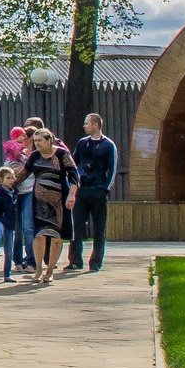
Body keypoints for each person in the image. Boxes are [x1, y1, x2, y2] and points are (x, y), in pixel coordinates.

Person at [17, 128, 77, 285]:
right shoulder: (35, 156)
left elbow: (73, 175)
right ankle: (38, 269)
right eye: (35, 141)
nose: (37, 144)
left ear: (49, 140)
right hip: (39, 202)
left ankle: (50, 271)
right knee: (39, 235)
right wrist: (9, 184)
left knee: (56, 236)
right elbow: (24, 173)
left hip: (58, 201)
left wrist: (72, 195)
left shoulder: (62, 154)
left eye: (40, 141)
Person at [67, 112, 117, 272]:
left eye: (87, 123)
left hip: (98, 191)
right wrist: (73, 184)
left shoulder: (108, 145)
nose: (84, 126)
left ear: (96, 125)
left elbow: (112, 168)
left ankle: (95, 263)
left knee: (98, 228)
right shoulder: (82, 143)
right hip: (82, 190)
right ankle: (75, 261)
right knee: (76, 227)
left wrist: (105, 189)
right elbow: (74, 164)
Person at [0, 166, 20, 281]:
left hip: (10, 224)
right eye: (8, 178)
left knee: (9, 251)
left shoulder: (14, 194)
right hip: (0, 221)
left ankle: (7, 274)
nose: (11, 180)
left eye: (12, 177)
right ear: (1, 180)